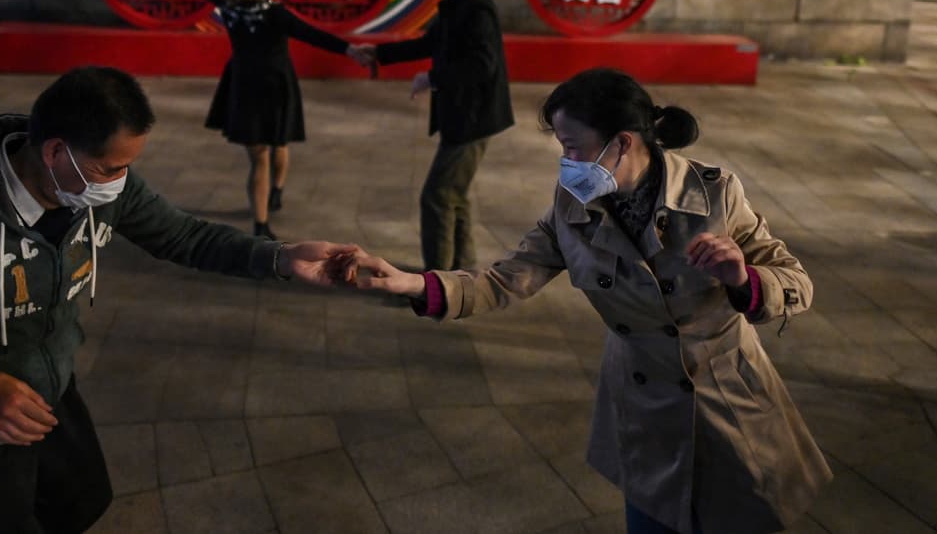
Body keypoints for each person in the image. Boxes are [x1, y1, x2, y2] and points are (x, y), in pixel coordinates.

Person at [0, 66, 360, 534]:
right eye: (110, 169)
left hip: (50, 388)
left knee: (80, 503)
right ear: (55, 151)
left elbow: (185, 236)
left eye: (126, 167)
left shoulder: (92, 187)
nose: (119, 183)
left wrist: (280, 258)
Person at [346, 68, 832, 534]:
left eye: (573, 147)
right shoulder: (572, 207)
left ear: (622, 142)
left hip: (725, 396)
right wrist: (409, 283)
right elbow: (502, 280)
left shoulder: (715, 195)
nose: (568, 163)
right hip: (644, 403)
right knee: (654, 519)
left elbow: (796, 282)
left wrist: (742, 277)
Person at [349, 0, 513, 271]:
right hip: (463, 115)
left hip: (473, 118)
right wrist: (378, 54)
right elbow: (429, 43)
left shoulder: (475, 6)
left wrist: (433, 78)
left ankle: (437, 282)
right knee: (454, 196)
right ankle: (462, 273)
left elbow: (483, 64)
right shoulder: (457, 0)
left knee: (437, 196)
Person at [199, 0, 366, 240]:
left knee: (259, 156)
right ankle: (273, 197)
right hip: (275, 85)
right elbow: (313, 35)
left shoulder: (229, 4)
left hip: (243, 84)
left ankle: (262, 220)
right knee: (277, 142)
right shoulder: (276, 14)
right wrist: (350, 50)